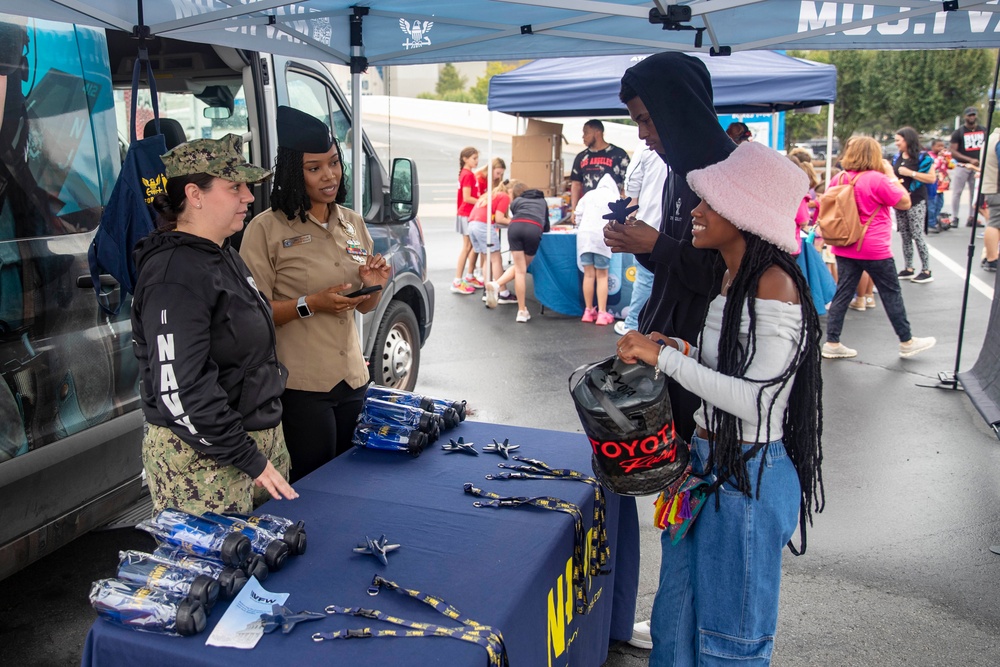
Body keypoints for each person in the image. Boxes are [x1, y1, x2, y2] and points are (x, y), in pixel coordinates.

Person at [616, 141, 823, 667]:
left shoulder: (775, 285)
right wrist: (677, 348)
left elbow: (757, 402)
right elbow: (727, 365)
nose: (697, 212)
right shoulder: (732, 277)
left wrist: (667, 362)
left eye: (710, 203)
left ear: (746, 213)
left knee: (729, 644)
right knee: (674, 626)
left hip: (747, 477)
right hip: (708, 468)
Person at [602, 52, 735, 651]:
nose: (642, 135)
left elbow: (721, 279)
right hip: (673, 360)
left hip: (703, 379)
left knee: (699, 528)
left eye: (647, 120)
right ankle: (670, 635)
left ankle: (687, 635)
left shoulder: (725, 175)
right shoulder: (685, 173)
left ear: (679, 109)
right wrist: (649, 248)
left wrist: (658, 244)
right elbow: (690, 268)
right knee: (678, 519)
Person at [131, 134, 297, 515]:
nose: (250, 197)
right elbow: (182, 389)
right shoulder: (173, 275)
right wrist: (249, 458)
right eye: (235, 186)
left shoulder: (224, 255)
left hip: (251, 446)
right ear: (195, 194)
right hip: (204, 464)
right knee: (213, 574)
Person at [240, 107, 390, 482]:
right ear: (294, 171)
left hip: (353, 379)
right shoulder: (266, 229)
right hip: (303, 385)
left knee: (357, 481)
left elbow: (364, 305)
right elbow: (251, 315)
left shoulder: (352, 222)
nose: (330, 176)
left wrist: (373, 284)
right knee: (317, 485)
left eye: (334, 163)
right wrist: (310, 304)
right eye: (314, 168)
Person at [821, 136, 936, 360]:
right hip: (874, 247)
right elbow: (904, 202)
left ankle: (832, 342)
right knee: (891, 293)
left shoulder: (839, 178)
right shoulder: (877, 179)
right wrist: (891, 174)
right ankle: (906, 341)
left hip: (844, 245)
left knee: (843, 293)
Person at [615, 140, 667, 336]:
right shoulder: (688, 145)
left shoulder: (646, 148)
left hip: (650, 225)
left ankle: (633, 325)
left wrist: (628, 218)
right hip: (676, 230)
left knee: (646, 279)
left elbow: (632, 187)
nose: (642, 133)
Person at [486, 180, 546, 323]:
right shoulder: (542, 201)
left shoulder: (516, 202)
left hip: (515, 228)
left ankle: (497, 284)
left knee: (519, 268)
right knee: (521, 269)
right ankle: (521, 311)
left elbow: (516, 215)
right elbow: (546, 223)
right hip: (533, 228)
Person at [892, 126, 936, 284]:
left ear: (907, 140)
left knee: (917, 234)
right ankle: (908, 267)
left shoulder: (923, 158)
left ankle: (926, 269)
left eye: (898, 140)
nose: (896, 143)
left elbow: (931, 178)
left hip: (916, 200)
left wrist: (911, 173)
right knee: (904, 234)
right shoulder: (898, 157)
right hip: (901, 201)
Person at [574, 173, 618, 325]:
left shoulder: (589, 195)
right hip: (602, 237)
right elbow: (619, 219)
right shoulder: (613, 196)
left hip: (584, 238)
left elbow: (577, 214)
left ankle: (588, 311)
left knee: (588, 275)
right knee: (602, 276)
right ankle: (602, 313)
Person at [569, 119, 630, 210]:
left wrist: (625, 207)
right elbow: (576, 184)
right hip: (589, 208)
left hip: (613, 207)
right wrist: (574, 209)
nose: (583, 137)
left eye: (586, 133)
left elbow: (628, 183)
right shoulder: (581, 157)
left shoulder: (619, 155)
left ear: (598, 133)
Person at [469, 178, 512, 305]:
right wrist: (515, 222)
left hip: (472, 225)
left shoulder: (489, 195)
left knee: (487, 258)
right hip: (484, 226)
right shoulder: (504, 196)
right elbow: (500, 218)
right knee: (496, 259)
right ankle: (502, 292)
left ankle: (487, 290)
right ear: (510, 190)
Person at [452, 146, 481, 294]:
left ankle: (468, 276)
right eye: (474, 158)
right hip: (466, 213)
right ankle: (457, 280)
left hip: (467, 214)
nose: (476, 161)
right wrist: (482, 200)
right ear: (465, 159)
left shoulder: (467, 173)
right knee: (467, 247)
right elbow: (467, 197)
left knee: (471, 246)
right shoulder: (467, 175)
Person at [950, 106, 986, 227]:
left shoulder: (983, 130)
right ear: (965, 116)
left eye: (973, 115)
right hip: (963, 165)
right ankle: (955, 217)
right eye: (969, 115)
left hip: (977, 167)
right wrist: (969, 159)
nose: (972, 117)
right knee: (957, 192)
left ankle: (972, 217)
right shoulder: (959, 132)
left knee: (974, 193)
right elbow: (953, 151)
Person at [978, 125, 1000, 272]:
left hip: (991, 187)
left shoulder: (991, 139)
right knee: (995, 223)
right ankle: (992, 258)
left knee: (995, 222)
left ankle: (990, 256)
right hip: (997, 188)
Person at [927, 137, 953, 232]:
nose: (941, 148)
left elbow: (951, 166)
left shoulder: (944, 156)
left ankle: (936, 220)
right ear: (932, 146)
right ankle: (931, 223)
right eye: (938, 146)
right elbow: (934, 166)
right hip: (933, 184)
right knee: (932, 204)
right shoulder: (929, 156)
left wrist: (947, 159)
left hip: (942, 185)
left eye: (942, 146)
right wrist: (939, 157)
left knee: (939, 204)